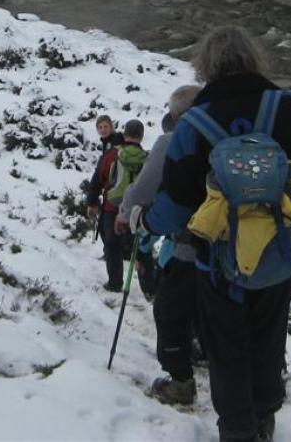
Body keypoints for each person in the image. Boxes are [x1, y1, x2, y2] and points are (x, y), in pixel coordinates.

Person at [138, 27, 291, 442]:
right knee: (269, 337)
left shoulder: (193, 124)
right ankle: (265, 417)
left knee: (226, 347)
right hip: (280, 254)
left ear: (205, 68)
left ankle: (237, 429)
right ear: (255, 59)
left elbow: (174, 203)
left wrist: (145, 223)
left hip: (218, 265)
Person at [117, 84, 203, 406]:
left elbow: (143, 193)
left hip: (190, 249)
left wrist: (127, 215)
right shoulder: (233, 137)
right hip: (241, 251)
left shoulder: (172, 142)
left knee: (169, 310)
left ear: (177, 115)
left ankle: (181, 382)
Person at [85, 118, 152, 293]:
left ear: (125, 133)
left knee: (112, 246)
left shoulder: (111, 155)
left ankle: (115, 284)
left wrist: (92, 203)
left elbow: (97, 179)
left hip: (112, 208)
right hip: (137, 211)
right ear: (141, 136)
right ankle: (149, 286)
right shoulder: (147, 158)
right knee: (140, 248)